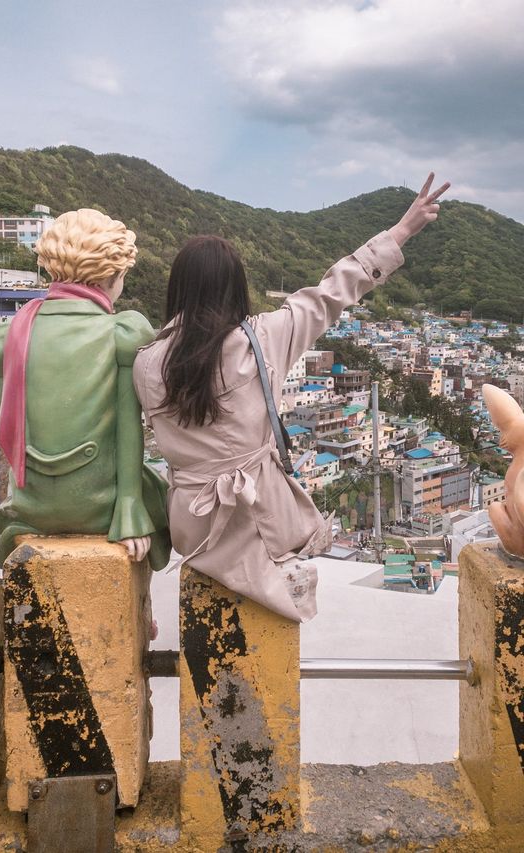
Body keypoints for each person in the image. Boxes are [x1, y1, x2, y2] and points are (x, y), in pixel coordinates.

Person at [133, 173, 450, 622]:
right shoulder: (262, 338)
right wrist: (401, 231)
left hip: (192, 523)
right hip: (257, 513)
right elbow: (332, 292)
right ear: (235, 287)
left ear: (177, 288)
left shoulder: (147, 361)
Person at [0, 208, 171, 571]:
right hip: (99, 508)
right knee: (158, 491)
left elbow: (9, 431)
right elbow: (128, 431)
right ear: (113, 275)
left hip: (30, 507)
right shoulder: (122, 333)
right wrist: (129, 507)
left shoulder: (10, 336)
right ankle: (140, 611)